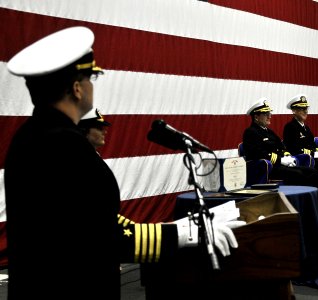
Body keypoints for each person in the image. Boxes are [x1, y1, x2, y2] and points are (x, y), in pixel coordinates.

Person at [4, 26, 239, 299]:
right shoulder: (66, 147)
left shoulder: (30, 136)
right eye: (92, 77)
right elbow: (105, 237)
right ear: (77, 89)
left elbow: (83, 219)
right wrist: (186, 235)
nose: (94, 85)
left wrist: (175, 227)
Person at [242, 98, 318, 208]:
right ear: (256, 117)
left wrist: (287, 156)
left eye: (269, 113)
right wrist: (281, 160)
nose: (269, 116)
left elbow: (282, 147)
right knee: (299, 174)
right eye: (266, 114)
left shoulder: (269, 131)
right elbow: (257, 153)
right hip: (269, 168)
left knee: (312, 171)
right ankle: (301, 208)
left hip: (280, 165)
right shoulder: (250, 132)